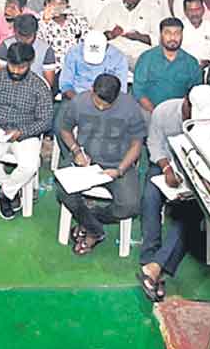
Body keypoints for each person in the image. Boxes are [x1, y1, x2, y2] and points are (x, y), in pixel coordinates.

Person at [138, 84, 210, 301]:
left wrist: (191, 180)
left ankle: (154, 269)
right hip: (164, 164)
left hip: (195, 173)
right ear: (186, 102)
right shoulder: (164, 111)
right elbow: (154, 144)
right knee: (150, 197)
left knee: (191, 212)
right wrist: (166, 168)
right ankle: (151, 260)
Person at [56, 73, 147, 255]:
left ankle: (90, 218)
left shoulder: (130, 107)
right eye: (98, 102)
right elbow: (64, 129)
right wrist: (76, 151)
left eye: (107, 105)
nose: (101, 107)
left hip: (117, 163)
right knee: (63, 191)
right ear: (92, 91)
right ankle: (95, 231)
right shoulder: (79, 102)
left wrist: (120, 170)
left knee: (130, 206)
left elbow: (137, 145)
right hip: (86, 162)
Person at [0, 42, 54, 220]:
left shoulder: (39, 86)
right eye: (13, 66)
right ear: (7, 62)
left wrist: (22, 132)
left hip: (25, 133)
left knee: (30, 165)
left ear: (30, 63)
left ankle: (5, 193)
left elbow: (45, 121)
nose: (17, 71)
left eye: (22, 67)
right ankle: (10, 190)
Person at [133, 17, 203, 113]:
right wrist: (155, 113)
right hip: (148, 111)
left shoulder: (191, 62)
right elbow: (138, 91)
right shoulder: (147, 58)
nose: (173, 38)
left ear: (182, 35)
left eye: (177, 33)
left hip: (178, 114)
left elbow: (195, 93)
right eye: (168, 33)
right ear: (161, 35)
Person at [93, 0, 157, 66]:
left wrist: (139, 37)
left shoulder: (151, 11)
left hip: (141, 56)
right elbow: (95, 36)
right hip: (114, 56)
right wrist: (111, 34)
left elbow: (158, 39)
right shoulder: (110, 8)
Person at [0, 13, 58, 89]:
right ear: (15, 31)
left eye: (28, 37)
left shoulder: (46, 50)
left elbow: (48, 84)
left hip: (35, 92)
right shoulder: (5, 46)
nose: (24, 40)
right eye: (20, 37)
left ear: (35, 32)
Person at [38, 0, 90, 66]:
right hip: (52, 68)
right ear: (47, 4)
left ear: (67, 4)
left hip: (76, 65)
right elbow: (39, 45)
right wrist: (45, 22)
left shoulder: (78, 19)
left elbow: (87, 41)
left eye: (61, 4)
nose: (58, 7)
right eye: (54, 4)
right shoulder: (39, 21)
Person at [178, 0, 210, 67]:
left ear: (203, 10)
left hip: (209, 72)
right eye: (191, 10)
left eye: (197, 9)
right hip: (183, 71)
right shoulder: (178, 29)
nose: (194, 14)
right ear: (185, 12)